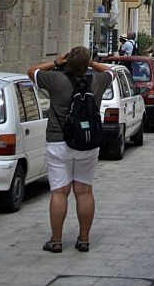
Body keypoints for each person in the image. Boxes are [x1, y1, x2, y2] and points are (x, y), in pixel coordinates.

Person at [28, 46, 116, 252]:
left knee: (59, 192)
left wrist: (58, 63)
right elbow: (111, 71)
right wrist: (91, 63)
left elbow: (32, 71)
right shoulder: (97, 81)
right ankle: (84, 238)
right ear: (86, 66)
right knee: (84, 191)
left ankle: (56, 240)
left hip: (59, 142)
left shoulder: (56, 80)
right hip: (87, 142)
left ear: (68, 63)